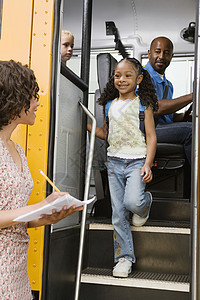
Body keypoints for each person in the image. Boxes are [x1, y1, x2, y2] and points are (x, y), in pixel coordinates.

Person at [0, 60, 83, 300]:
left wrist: (46, 217)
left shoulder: (17, 150)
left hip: (16, 270)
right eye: (32, 96)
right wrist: (39, 206)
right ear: (15, 100)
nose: (38, 102)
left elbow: (13, 218)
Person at [88, 57, 158, 278]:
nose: (122, 79)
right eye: (118, 75)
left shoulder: (142, 105)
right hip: (114, 163)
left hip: (137, 161)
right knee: (118, 214)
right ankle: (123, 258)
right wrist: (88, 126)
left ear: (138, 79)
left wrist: (147, 163)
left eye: (128, 75)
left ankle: (145, 204)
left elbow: (151, 137)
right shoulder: (109, 105)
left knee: (132, 202)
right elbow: (108, 135)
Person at [144, 36, 193, 165]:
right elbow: (156, 109)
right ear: (149, 53)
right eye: (157, 51)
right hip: (146, 129)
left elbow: (166, 116)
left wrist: (184, 116)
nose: (161, 56)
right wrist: (192, 96)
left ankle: (189, 183)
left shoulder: (168, 85)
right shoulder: (142, 76)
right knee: (191, 131)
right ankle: (196, 180)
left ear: (171, 56)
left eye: (166, 53)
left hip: (160, 127)